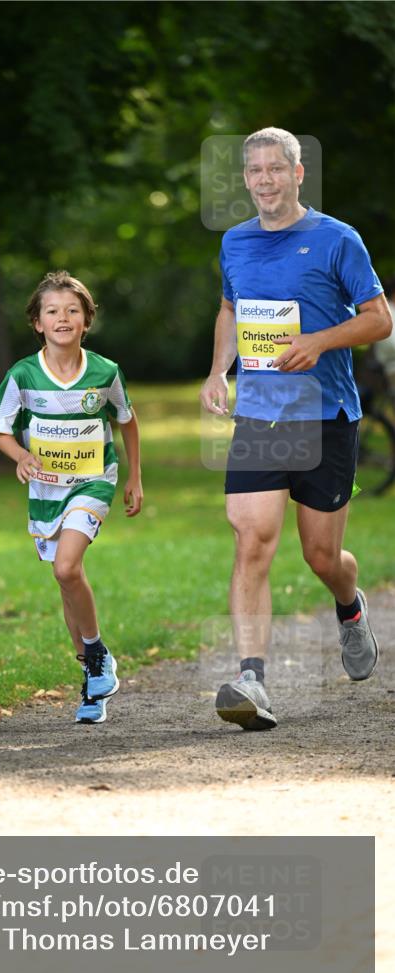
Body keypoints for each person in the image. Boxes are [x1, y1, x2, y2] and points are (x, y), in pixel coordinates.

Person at [200, 127, 392, 731]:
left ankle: (349, 606)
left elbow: (378, 320)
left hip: (327, 414)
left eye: (274, 169)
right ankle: (251, 678)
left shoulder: (338, 239)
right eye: (254, 171)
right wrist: (217, 371)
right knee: (252, 538)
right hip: (262, 414)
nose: (263, 180)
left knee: (322, 555)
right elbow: (231, 308)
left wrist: (317, 342)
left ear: (297, 172)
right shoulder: (234, 242)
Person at [0, 271, 143, 724]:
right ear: (37, 322)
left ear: (86, 320)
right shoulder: (23, 374)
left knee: (67, 566)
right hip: (46, 490)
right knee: (65, 582)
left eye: (72, 310)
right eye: (52, 311)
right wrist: (19, 455)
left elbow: (127, 421)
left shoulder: (105, 372)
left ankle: (97, 656)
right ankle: (93, 683)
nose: (63, 318)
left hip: (93, 480)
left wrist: (135, 477)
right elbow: (0, 430)